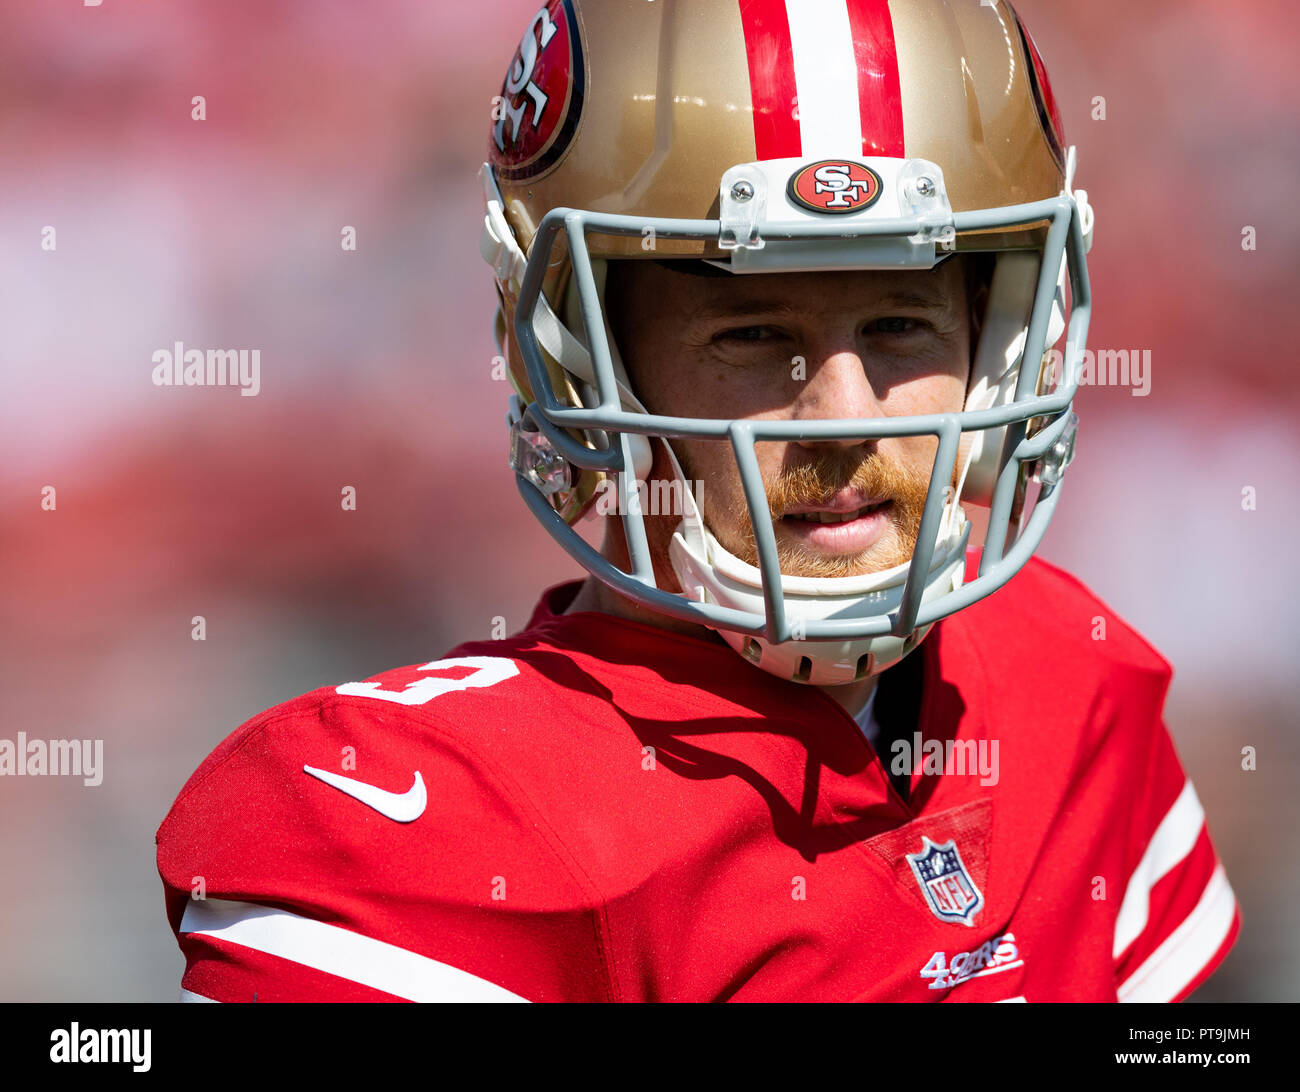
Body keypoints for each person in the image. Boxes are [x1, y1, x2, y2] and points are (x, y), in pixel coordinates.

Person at [157, 0, 1239, 1002]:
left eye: (901, 324)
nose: (844, 415)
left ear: (997, 345)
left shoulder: (1068, 681)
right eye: (753, 337)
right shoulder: (417, 821)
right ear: (587, 367)